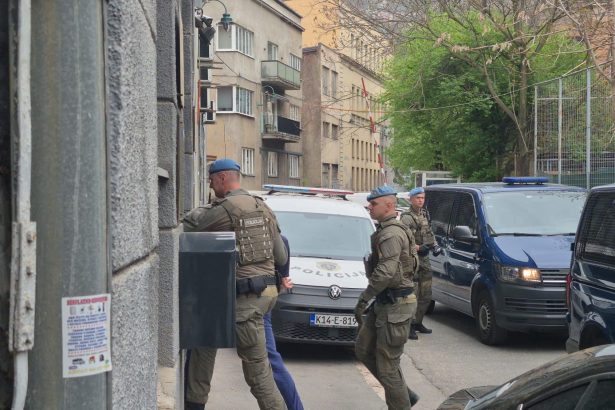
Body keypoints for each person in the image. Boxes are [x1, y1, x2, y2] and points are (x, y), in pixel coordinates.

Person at [183, 158, 287, 410]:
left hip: (244, 299)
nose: (210, 185)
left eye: (211, 180)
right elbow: (281, 257)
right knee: (203, 346)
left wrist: (207, 209)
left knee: (258, 373)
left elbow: (188, 227)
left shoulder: (226, 208)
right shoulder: (263, 207)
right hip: (258, 293)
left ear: (221, 178)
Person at [354, 186, 420, 409]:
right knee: (363, 349)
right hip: (385, 302)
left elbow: (386, 272)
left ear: (389, 205)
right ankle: (403, 394)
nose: (369, 207)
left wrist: (364, 298)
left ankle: (400, 402)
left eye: (374, 204)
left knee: (387, 367)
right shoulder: (387, 229)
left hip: (396, 305)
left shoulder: (391, 233)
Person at [265, 235, 304, 410]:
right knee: (271, 361)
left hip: (253, 302)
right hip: (261, 299)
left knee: (270, 362)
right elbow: (283, 280)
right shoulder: (278, 237)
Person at [400, 187, 440, 340]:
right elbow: (403, 239)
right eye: (417, 198)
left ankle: (418, 322)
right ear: (411, 199)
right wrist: (417, 248)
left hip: (424, 258)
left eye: (422, 198)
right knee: (413, 293)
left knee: (426, 293)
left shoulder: (424, 214)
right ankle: (409, 325)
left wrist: (434, 245)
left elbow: (429, 233)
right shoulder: (406, 218)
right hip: (412, 259)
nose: (420, 200)